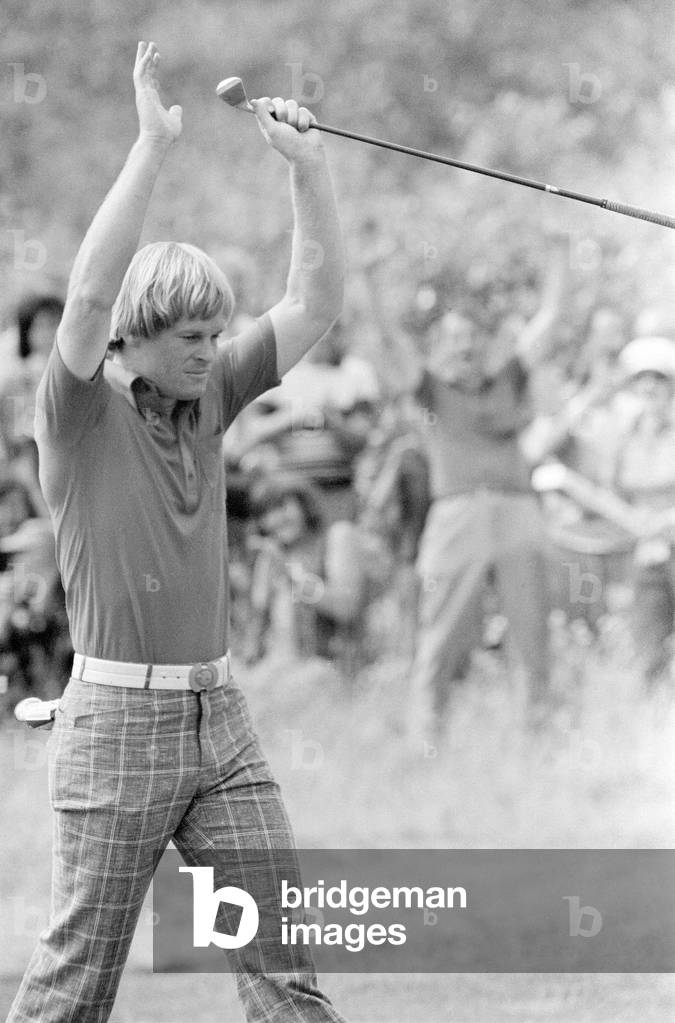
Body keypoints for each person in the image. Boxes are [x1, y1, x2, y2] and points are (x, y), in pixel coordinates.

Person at [7, 42, 347, 1023]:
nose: (210, 353)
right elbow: (80, 299)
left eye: (215, 336)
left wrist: (309, 171)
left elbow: (316, 302)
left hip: (220, 717)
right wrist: (151, 149)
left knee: (283, 964)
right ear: (136, 335)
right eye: (190, 338)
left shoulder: (210, 401)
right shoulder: (75, 412)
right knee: (76, 989)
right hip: (116, 730)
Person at [245, 473, 369, 670]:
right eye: (266, 513)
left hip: (338, 668)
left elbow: (346, 607)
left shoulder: (338, 537)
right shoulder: (272, 555)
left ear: (303, 503)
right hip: (286, 672)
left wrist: (291, 576)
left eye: (281, 507)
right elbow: (258, 622)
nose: (276, 519)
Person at [612, 337, 675, 685]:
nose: (649, 386)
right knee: (649, 649)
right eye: (642, 379)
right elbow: (615, 491)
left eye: (658, 378)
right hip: (644, 553)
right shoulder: (625, 437)